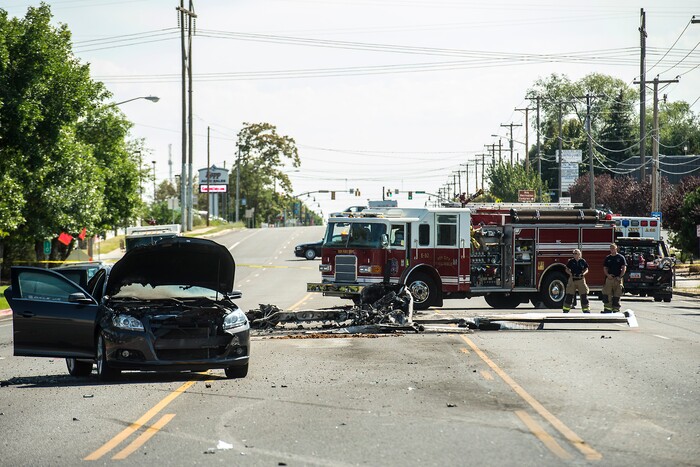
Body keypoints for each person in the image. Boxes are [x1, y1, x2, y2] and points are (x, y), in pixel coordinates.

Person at [602, 243, 627, 313]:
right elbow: (605, 268)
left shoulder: (621, 257)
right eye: (611, 248)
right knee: (607, 294)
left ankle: (616, 309)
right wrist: (607, 275)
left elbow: (624, 268)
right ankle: (608, 309)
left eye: (613, 248)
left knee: (617, 295)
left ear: (616, 249)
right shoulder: (608, 258)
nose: (612, 250)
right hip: (609, 278)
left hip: (617, 279)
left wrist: (620, 277)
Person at [563, 249, 590, 313]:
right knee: (569, 295)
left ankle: (586, 309)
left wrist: (583, 274)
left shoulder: (582, 261)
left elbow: (587, 269)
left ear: (579, 254)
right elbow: (566, 269)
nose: (574, 255)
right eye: (573, 253)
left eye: (575, 253)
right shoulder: (571, 261)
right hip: (572, 279)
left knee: (584, 295)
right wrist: (570, 274)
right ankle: (566, 309)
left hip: (581, 279)